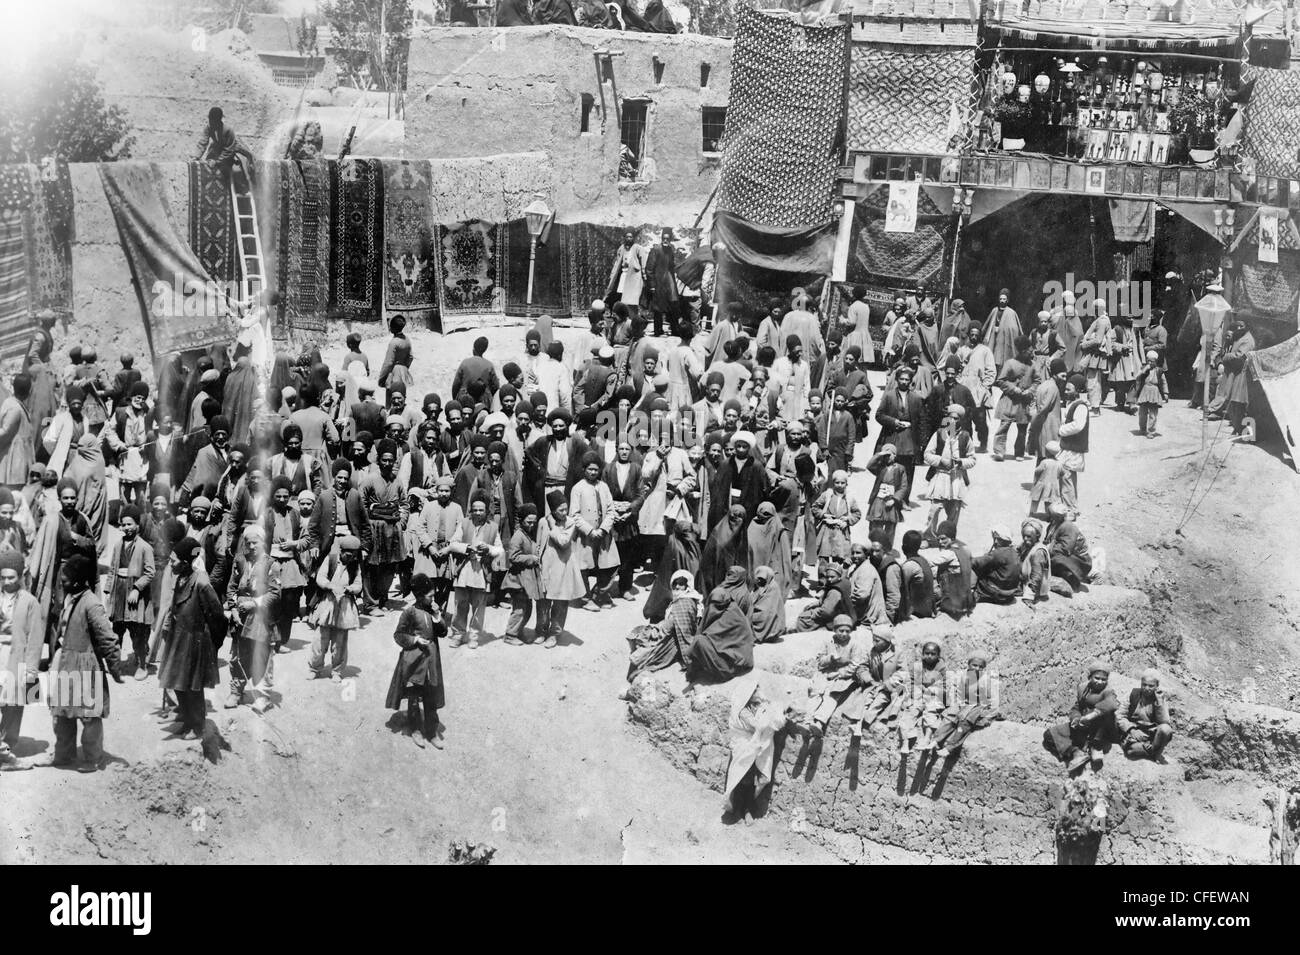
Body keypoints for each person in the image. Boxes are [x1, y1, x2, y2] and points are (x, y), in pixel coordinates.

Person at [41, 554, 122, 772]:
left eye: (65, 580)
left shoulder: (92, 604)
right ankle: (64, 754)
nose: (61, 583)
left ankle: (92, 758)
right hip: (65, 661)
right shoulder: (69, 598)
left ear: (78, 581)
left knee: (88, 714)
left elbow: (107, 638)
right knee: (62, 712)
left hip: (85, 665)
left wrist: (115, 667)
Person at [155, 537, 225, 739]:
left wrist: (212, 644)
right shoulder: (181, 578)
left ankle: (198, 726)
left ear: (186, 562)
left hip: (195, 642)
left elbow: (217, 616)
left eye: (174, 561)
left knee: (193, 688)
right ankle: (186, 720)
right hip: (178, 641)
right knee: (178, 683)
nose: (171, 564)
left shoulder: (201, 582)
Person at [385, 574, 446, 750]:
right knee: (414, 697)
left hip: (431, 660)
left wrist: (437, 616)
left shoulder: (432, 610)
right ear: (419, 596)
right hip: (414, 662)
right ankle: (416, 729)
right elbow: (398, 635)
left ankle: (432, 732)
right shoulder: (410, 612)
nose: (433, 599)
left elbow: (443, 632)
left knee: (430, 695)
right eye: (430, 596)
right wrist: (415, 640)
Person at [722, 675, 792, 824]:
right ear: (748, 694)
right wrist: (769, 712)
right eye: (755, 690)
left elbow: (767, 719)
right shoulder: (742, 711)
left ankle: (747, 809)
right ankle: (739, 809)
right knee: (741, 778)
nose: (759, 692)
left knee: (752, 779)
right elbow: (759, 725)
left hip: (754, 746)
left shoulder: (755, 706)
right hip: (743, 746)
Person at [224, 526, 279, 712]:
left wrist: (254, 603)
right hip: (240, 616)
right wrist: (233, 609)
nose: (252, 546)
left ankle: (263, 696)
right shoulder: (240, 561)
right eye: (248, 543)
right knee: (237, 655)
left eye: (256, 542)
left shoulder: (272, 564)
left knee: (261, 655)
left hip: (260, 617)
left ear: (263, 542)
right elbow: (231, 587)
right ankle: (236, 691)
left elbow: (275, 593)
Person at [0, 550, 43, 763]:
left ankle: (8, 744)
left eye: (11, 578)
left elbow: (35, 640)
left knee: (14, 704)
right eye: (3, 577)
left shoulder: (30, 602)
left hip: (17, 658)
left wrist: (31, 671)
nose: (7, 582)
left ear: (20, 575)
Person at [104, 505, 155, 680]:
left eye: (130, 524)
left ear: (138, 525)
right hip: (119, 592)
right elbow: (112, 569)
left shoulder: (145, 547)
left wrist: (136, 588)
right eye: (123, 524)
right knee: (117, 631)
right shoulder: (118, 545)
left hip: (136, 597)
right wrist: (108, 591)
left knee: (137, 633)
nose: (126, 528)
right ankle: (115, 663)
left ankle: (142, 664)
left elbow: (150, 573)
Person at [625, 569, 700, 687]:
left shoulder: (684, 603)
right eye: (675, 583)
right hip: (668, 632)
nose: (677, 587)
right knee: (637, 635)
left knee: (640, 653)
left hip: (672, 641)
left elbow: (677, 628)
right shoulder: (684, 598)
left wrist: (654, 632)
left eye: (681, 584)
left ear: (688, 585)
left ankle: (633, 678)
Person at [1043, 661, 1120, 773]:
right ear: (1090, 677)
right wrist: (1076, 719)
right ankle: (1077, 752)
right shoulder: (1083, 689)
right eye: (1097, 678)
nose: (1100, 682)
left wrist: (1091, 716)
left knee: (1107, 714)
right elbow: (1077, 707)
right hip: (1084, 726)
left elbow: (1112, 704)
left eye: (1103, 679)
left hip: (1102, 731)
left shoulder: (1107, 691)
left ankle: (1095, 747)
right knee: (1049, 735)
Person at [448, 493, 502, 649]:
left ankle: (473, 635)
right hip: (464, 568)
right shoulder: (464, 523)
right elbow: (453, 543)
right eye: (475, 510)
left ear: (487, 511)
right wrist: (466, 547)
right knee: (460, 603)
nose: (478, 513)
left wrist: (489, 548)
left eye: (481, 510)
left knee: (479, 605)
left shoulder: (493, 527)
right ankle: (458, 634)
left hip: (481, 571)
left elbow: (500, 550)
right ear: (471, 510)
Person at [308, 536, 363, 681]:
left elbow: (359, 585)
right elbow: (320, 577)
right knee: (320, 639)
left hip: (344, 605)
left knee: (340, 641)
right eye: (347, 553)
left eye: (353, 554)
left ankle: (337, 671)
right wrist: (330, 586)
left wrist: (349, 589)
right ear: (342, 550)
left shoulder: (355, 565)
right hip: (328, 602)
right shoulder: (331, 559)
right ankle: (315, 668)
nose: (350, 557)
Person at [807, 614, 871, 737]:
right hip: (826, 672)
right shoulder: (828, 642)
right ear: (834, 630)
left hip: (845, 677)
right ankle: (807, 720)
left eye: (847, 631)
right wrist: (830, 658)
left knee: (833, 695)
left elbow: (854, 665)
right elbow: (820, 662)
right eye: (841, 631)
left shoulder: (854, 645)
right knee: (816, 690)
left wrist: (839, 673)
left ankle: (819, 722)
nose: (844, 634)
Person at [689, 565, 754, 684]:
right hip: (733, 657)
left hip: (735, 664)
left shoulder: (733, 616)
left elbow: (718, 638)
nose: (714, 608)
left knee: (700, 642)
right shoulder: (724, 600)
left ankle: (720, 673)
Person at [538, 490, 585, 648]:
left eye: (566, 509)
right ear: (552, 510)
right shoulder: (543, 522)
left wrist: (553, 526)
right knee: (543, 601)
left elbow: (563, 541)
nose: (565, 513)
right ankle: (541, 630)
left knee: (560, 602)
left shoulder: (570, 523)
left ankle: (554, 633)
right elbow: (539, 544)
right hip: (547, 567)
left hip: (563, 566)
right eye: (561, 510)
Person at [932, 650, 1000, 758]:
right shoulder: (963, 676)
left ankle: (949, 747)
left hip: (979, 706)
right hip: (964, 703)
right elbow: (958, 692)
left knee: (965, 722)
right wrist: (959, 706)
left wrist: (987, 715)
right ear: (968, 665)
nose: (977, 668)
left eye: (980, 667)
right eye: (974, 665)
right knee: (950, 716)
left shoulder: (986, 680)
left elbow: (994, 701)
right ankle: (936, 739)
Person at [923, 404, 975, 541]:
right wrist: (941, 460)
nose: (952, 421)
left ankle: (948, 538)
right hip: (940, 475)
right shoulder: (939, 433)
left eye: (956, 419)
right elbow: (927, 454)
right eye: (950, 418)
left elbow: (972, 459)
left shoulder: (965, 436)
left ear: (961, 420)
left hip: (956, 478)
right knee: (934, 509)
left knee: (954, 511)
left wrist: (961, 462)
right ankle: (928, 537)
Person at [874, 367, 924, 508]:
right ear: (897, 380)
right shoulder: (889, 396)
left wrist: (920, 442)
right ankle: (886, 497)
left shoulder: (916, 398)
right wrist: (894, 422)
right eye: (901, 379)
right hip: (892, 436)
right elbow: (879, 415)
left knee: (907, 470)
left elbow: (922, 420)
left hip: (909, 439)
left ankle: (903, 500)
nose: (904, 382)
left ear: (910, 381)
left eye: (907, 379)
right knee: (889, 468)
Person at [897, 641, 948, 754]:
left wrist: (931, 691)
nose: (929, 656)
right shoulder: (917, 666)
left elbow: (944, 687)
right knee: (910, 712)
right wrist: (917, 692)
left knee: (931, 711)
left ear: (938, 655)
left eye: (933, 653)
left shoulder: (941, 668)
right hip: (918, 694)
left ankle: (926, 738)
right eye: (927, 653)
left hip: (933, 696)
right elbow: (910, 682)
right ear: (922, 653)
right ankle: (905, 743)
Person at [992, 337, 1036, 462]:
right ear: (1022, 351)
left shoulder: (1033, 365)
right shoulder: (1010, 363)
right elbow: (1000, 380)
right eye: (1029, 351)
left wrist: (1031, 390)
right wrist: (1013, 388)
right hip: (1009, 401)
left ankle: (1019, 452)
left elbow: (1037, 381)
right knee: (1004, 426)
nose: (1031, 353)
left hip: (1024, 402)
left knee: (1022, 429)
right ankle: (999, 452)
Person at [1118, 669, 1173, 763]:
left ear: (1157, 686)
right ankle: (1152, 751)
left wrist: (1159, 703)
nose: (1146, 688)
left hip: (1152, 735)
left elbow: (1165, 722)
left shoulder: (1160, 698)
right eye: (1144, 684)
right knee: (1131, 751)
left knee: (1166, 729)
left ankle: (1152, 748)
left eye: (1151, 686)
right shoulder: (1133, 695)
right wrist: (1132, 730)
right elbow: (1119, 715)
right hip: (1134, 732)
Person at [811, 469, 859, 576]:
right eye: (837, 482)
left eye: (843, 483)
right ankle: (823, 583)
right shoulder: (827, 495)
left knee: (840, 558)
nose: (840, 485)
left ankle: (837, 583)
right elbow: (815, 507)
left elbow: (857, 514)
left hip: (841, 532)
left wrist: (847, 521)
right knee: (823, 559)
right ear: (833, 483)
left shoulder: (850, 498)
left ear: (846, 483)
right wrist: (823, 515)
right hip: (826, 531)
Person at [958, 324, 996, 452]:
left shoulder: (985, 351)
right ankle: (968, 445)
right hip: (964, 389)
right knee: (965, 420)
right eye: (972, 334)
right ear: (968, 335)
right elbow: (956, 368)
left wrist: (984, 387)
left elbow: (991, 371)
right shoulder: (962, 350)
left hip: (978, 390)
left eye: (976, 335)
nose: (974, 337)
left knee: (980, 419)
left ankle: (983, 443)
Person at [864, 444, 905, 550]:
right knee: (875, 524)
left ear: (895, 455)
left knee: (890, 526)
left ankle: (887, 549)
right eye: (886, 455)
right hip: (879, 499)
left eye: (890, 454)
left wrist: (895, 499)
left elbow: (903, 487)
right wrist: (879, 454)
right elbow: (869, 466)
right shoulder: (880, 467)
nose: (888, 457)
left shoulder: (900, 468)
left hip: (891, 499)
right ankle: (874, 547)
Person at [1058, 375, 1089, 511]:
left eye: (1069, 389)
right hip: (1069, 447)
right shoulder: (1071, 404)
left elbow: (1077, 426)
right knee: (1067, 477)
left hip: (1074, 448)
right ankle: (1070, 506)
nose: (1066, 392)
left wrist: (1061, 430)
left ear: (1077, 390)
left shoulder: (1081, 407)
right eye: (1065, 389)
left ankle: (1070, 509)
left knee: (1067, 477)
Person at [194, 106, 254, 176]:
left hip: (234, 146)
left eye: (214, 121)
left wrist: (217, 161)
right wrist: (196, 156)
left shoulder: (228, 130)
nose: (211, 123)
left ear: (219, 120)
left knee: (244, 165)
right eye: (210, 120)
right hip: (219, 145)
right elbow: (203, 142)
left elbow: (229, 150)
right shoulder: (208, 128)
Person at [644, 228, 682, 337]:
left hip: (669, 282)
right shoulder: (656, 249)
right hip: (658, 283)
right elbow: (649, 269)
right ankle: (658, 330)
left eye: (667, 238)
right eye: (663, 238)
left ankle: (675, 330)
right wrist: (652, 285)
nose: (665, 240)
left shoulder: (670, 250)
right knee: (658, 308)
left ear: (670, 239)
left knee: (673, 305)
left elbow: (672, 266)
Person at [0, 374, 35, 491]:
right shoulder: (15, 408)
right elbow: (4, 432)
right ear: (28, 390)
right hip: (14, 460)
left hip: (17, 457)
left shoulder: (13, 403)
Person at [1077, 304, 1112, 414]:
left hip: (1095, 354)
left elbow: (1098, 340)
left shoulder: (1101, 321)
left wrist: (1084, 345)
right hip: (1095, 354)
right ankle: (1095, 405)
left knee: (1093, 381)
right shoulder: (1103, 320)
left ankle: (1095, 407)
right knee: (1094, 380)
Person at [972, 526, 1020, 604]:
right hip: (1010, 594)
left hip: (999, 593)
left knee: (977, 568)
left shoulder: (998, 553)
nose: (995, 542)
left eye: (996, 539)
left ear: (998, 540)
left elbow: (977, 562)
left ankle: (973, 593)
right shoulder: (1014, 552)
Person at [606, 230, 648, 318]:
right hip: (624, 275)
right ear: (624, 238)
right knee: (621, 296)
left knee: (632, 299)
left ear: (633, 238)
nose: (629, 239)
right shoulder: (622, 248)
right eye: (627, 237)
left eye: (631, 237)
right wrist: (613, 274)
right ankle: (622, 317)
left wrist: (644, 275)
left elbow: (643, 263)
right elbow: (617, 262)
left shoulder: (638, 248)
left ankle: (633, 318)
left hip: (634, 276)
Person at [984, 289, 1022, 369]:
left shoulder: (1011, 313)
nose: (1002, 301)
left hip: (1005, 339)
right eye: (1000, 299)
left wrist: (1002, 329)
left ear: (1007, 300)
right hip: (994, 339)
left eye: (1004, 299)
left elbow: (1014, 329)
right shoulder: (994, 310)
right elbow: (987, 325)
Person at [1135, 350, 1168, 439]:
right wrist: (1144, 370)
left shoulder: (1159, 371)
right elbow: (1137, 377)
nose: (1150, 363)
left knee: (1153, 413)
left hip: (1154, 392)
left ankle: (1151, 431)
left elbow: (1164, 382)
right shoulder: (1143, 368)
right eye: (1148, 361)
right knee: (1142, 413)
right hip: (1145, 391)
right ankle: (1142, 429)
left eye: (1152, 361)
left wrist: (1165, 393)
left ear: (1156, 361)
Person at [1019, 519, 1051, 607]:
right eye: (1024, 536)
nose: (1025, 539)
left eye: (1028, 536)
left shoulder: (1039, 552)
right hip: (1025, 581)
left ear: (1037, 535)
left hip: (1033, 588)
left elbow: (1036, 576)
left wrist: (1028, 596)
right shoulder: (1028, 544)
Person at [1029, 441, 1065, 519]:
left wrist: (1036, 479)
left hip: (1041, 484)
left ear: (1048, 452)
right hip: (1053, 485)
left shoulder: (1044, 462)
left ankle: (1032, 512)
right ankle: (1049, 515)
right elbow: (1062, 473)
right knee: (1049, 501)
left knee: (1035, 499)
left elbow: (1037, 471)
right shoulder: (1059, 463)